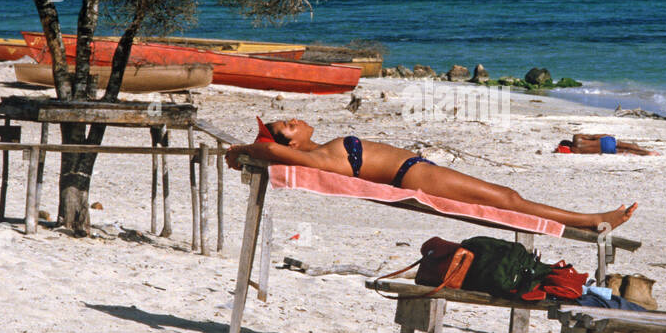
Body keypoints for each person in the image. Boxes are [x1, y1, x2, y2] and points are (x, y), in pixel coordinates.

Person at [225, 117, 637, 231]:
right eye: (287, 127)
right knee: (509, 200)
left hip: (418, 171)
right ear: (289, 145)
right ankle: (591, 219)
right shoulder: (321, 159)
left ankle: (589, 218)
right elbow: (269, 151)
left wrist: (258, 146)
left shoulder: (322, 150)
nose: (293, 120)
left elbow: (274, 148)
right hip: (414, 177)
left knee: (507, 196)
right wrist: (247, 149)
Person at [555, 133, 656, 155]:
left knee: (627, 150)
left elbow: (561, 151)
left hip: (604, 150)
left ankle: (646, 154)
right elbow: (593, 136)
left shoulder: (575, 151)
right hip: (603, 141)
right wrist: (606, 135)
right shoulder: (576, 138)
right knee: (626, 145)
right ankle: (648, 151)